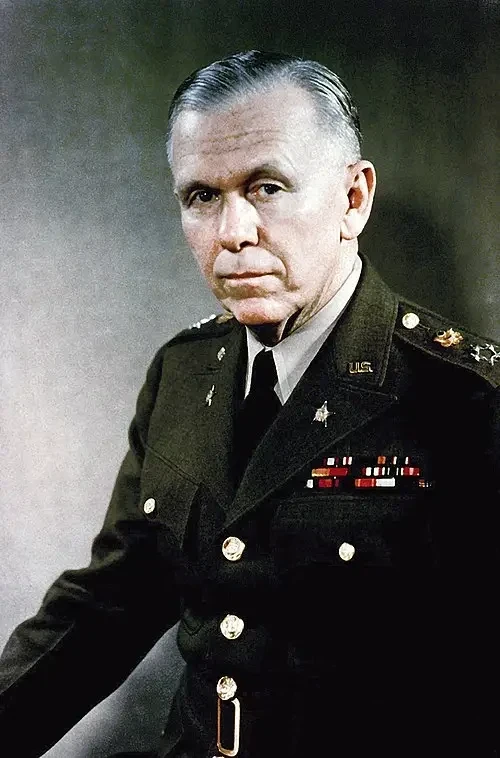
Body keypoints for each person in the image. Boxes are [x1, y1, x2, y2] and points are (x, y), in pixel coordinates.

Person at [1, 49, 499, 758]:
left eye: (267, 187)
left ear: (353, 199)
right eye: (201, 196)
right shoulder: (182, 374)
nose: (232, 232)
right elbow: (109, 605)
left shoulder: (464, 401)